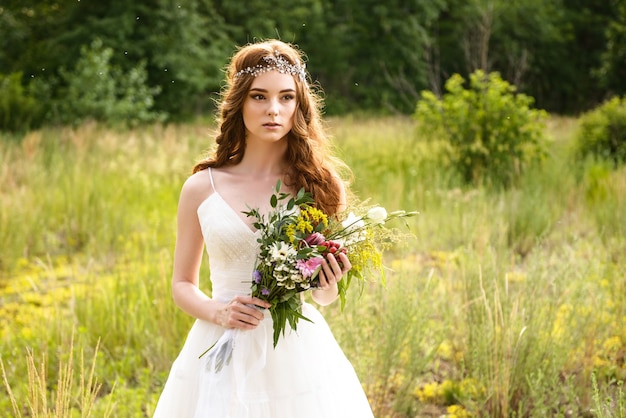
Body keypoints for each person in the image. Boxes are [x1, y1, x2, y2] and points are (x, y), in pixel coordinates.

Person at [153, 39, 375, 418]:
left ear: (299, 106)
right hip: (220, 343)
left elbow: (324, 299)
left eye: (286, 97)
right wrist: (218, 311)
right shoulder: (201, 188)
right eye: (259, 96)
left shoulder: (319, 185)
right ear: (239, 102)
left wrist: (328, 280)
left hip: (296, 351)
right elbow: (181, 285)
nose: (273, 109)